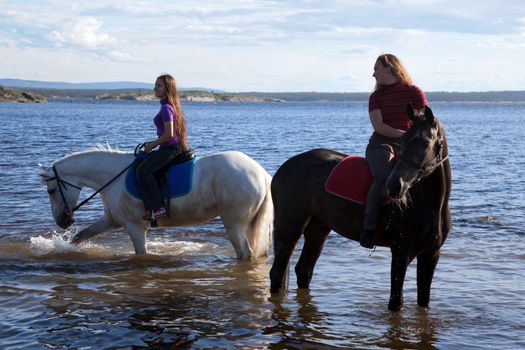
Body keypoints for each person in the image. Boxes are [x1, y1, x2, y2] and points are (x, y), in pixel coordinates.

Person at [360, 54, 428, 249]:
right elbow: (379, 126)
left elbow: (425, 121)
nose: (373, 74)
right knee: (382, 175)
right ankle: (369, 227)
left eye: (376, 68)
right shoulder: (376, 97)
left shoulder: (414, 92)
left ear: (390, 68)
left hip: (408, 146)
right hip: (381, 145)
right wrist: (405, 135)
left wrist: (415, 140)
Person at [136, 73, 189, 221]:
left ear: (168, 88)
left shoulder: (166, 107)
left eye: (159, 85)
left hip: (171, 148)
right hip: (168, 147)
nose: (155, 88)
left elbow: (169, 134)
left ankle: (158, 208)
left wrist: (152, 145)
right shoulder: (169, 105)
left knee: (143, 170)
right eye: (155, 85)